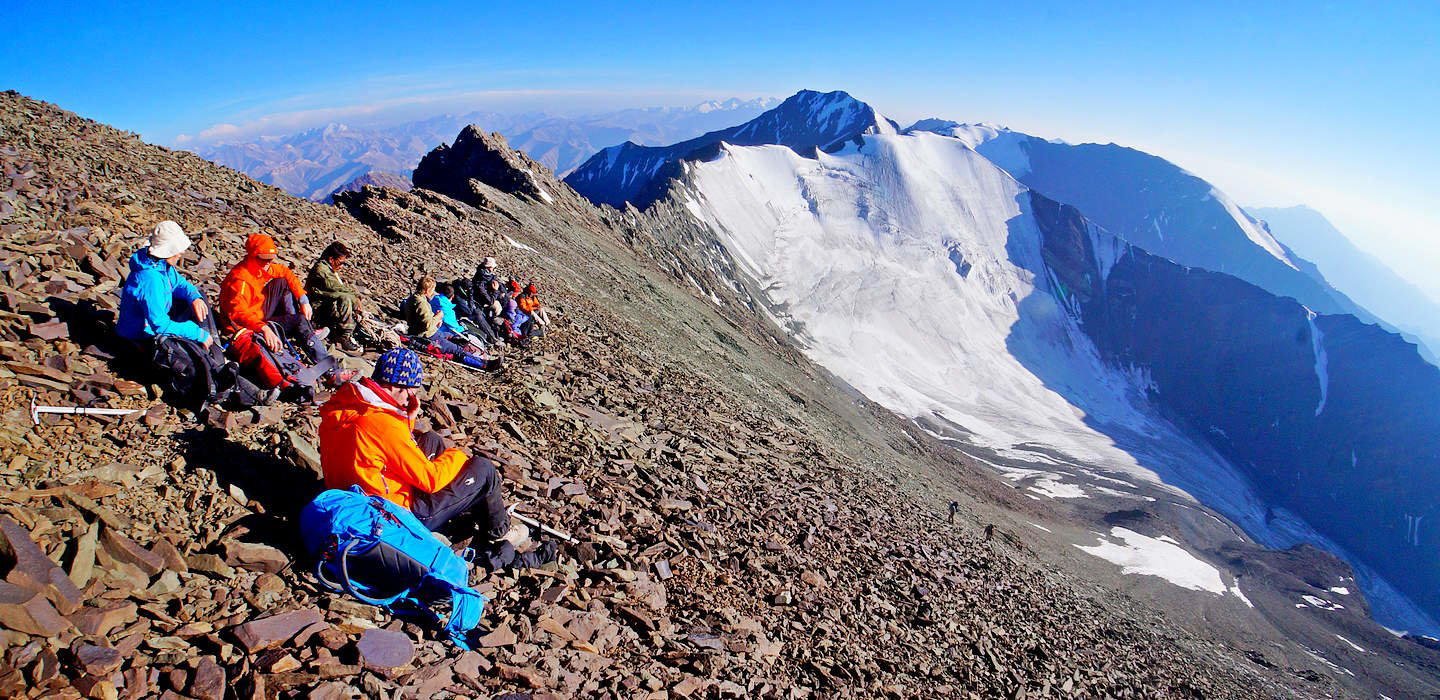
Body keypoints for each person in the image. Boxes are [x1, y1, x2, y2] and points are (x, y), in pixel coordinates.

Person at [318, 347, 557, 570]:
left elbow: (384, 446)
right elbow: (430, 480)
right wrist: (458, 455)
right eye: (410, 392)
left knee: (430, 439)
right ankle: (498, 532)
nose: (410, 399)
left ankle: (465, 505)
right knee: (483, 469)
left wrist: (407, 417)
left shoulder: (347, 405)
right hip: (392, 513)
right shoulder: (381, 424)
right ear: (398, 386)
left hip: (356, 494)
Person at [116, 221, 269, 407]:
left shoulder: (160, 266)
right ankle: (230, 387)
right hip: (141, 338)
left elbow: (181, 285)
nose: (180, 253)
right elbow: (159, 325)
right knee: (187, 346)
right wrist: (196, 332)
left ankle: (215, 353)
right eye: (176, 249)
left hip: (155, 326)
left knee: (200, 300)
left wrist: (195, 297)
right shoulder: (150, 279)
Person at [220, 233, 342, 391]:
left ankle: (303, 330)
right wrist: (264, 329)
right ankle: (331, 371)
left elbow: (286, 273)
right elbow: (237, 313)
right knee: (298, 321)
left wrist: (303, 300)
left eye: (270, 259)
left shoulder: (260, 267)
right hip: (247, 326)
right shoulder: (240, 280)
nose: (268, 263)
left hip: (258, 313)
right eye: (264, 259)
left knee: (282, 283)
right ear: (252, 255)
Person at [401, 277, 494, 371]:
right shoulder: (421, 303)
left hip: (427, 331)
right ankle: (484, 365)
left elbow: (422, 319)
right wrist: (439, 317)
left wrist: (436, 317)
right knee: (458, 350)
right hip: (428, 335)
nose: (433, 292)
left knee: (453, 338)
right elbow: (427, 325)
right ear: (427, 289)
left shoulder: (414, 298)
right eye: (432, 289)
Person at [305, 241, 363, 353]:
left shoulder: (330, 269)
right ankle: (343, 336)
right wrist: (355, 298)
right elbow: (336, 288)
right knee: (344, 298)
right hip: (317, 308)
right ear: (331, 259)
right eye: (340, 263)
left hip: (325, 304)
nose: (341, 266)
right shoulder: (321, 270)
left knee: (346, 297)